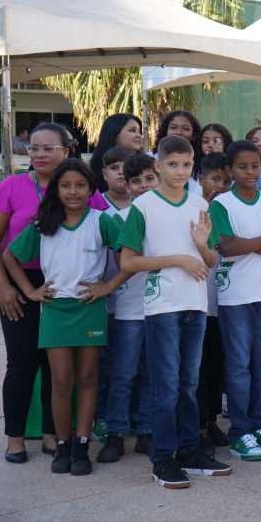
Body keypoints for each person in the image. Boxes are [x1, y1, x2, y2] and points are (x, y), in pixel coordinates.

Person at [116, 134, 230, 489]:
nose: (180, 171)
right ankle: (163, 457)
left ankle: (189, 451)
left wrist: (200, 247)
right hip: (163, 304)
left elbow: (211, 259)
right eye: (172, 165)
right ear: (158, 166)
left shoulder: (200, 205)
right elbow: (129, 260)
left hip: (195, 304)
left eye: (186, 165)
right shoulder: (144, 206)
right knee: (165, 385)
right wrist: (178, 259)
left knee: (188, 383)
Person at [1, 159, 120, 475]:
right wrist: (30, 291)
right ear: (55, 190)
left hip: (89, 308)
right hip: (55, 310)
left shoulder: (102, 221)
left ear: (91, 189)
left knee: (88, 378)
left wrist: (108, 286)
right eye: (65, 185)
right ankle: (63, 444)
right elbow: (9, 256)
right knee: (61, 380)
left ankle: (82, 443)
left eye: (80, 185)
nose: (73, 192)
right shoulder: (43, 223)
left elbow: (130, 256)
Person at [0, 122, 75, 463]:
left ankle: (52, 432)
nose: (38, 154)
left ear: (66, 151)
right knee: (20, 363)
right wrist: (3, 283)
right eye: (33, 147)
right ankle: (15, 437)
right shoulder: (11, 186)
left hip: (63, 282)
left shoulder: (78, 186)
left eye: (48, 148)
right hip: (19, 281)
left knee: (57, 365)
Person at [208, 140, 261, 462]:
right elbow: (226, 247)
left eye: (255, 165)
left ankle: (258, 425)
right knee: (239, 367)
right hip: (235, 297)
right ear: (230, 170)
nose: (250, 172)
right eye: (242, 166)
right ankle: (239, 431)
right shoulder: (222, 204)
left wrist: (252, 243)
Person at [96, 148, 151, 464]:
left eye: (148, 179)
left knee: (150, 373)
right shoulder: (117, 218)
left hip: (160, 306)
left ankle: (145, 431)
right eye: (135, 181)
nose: (143, 185)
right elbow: (125, 263)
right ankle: (116, 433)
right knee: (124, 373)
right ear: (127, 187)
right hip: (129, 308)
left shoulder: (165, 213)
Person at [196, 154, 231, 451]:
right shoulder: (195, 209)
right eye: (215, 179)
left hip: (223, 300)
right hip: (198, 301)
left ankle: (211, 419)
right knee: (200, 366)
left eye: (225, 181)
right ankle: (198, 426)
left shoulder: (227, 209)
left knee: (217, 365)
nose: (220, 186)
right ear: (201, 179)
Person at [89, 113, 144, 191]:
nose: (138, 135)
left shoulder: (146, 165)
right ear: (114, 133)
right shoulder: (91, 172)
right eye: (132, 130)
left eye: (139, 132)